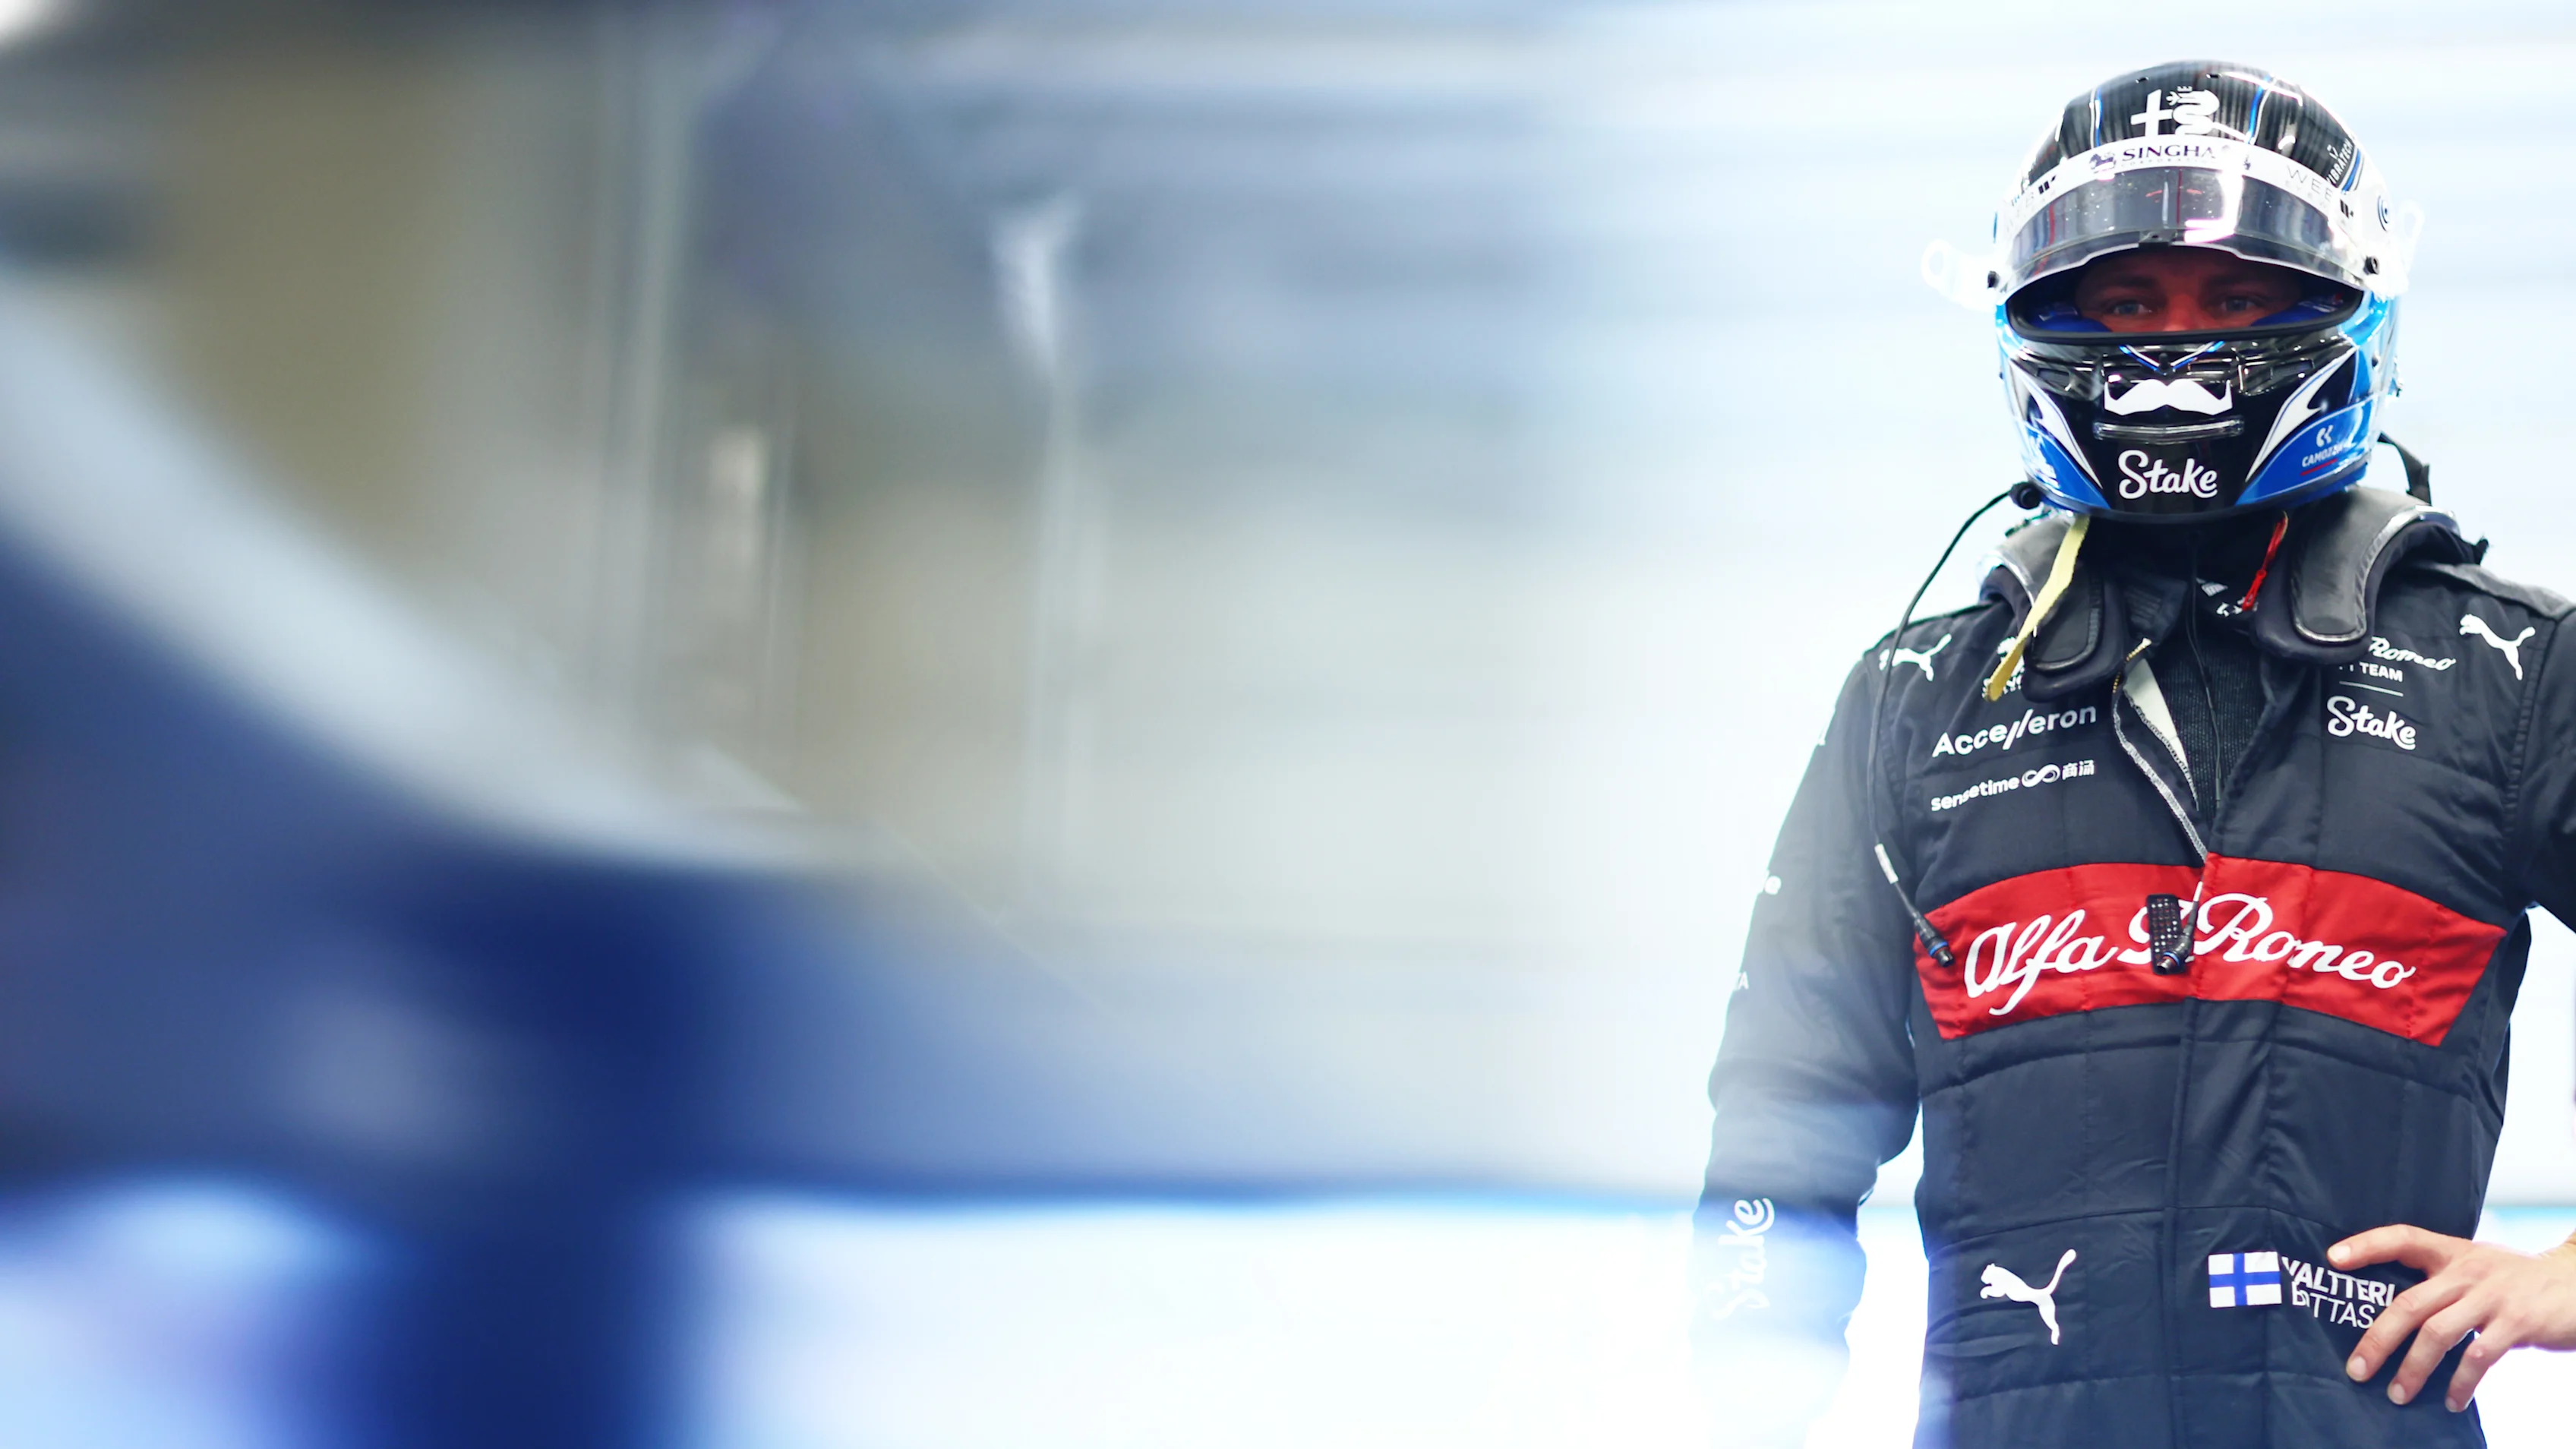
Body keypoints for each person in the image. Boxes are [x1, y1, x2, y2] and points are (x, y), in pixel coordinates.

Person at [1694, 60, 2576, 1448]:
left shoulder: (2512, 670)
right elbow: (1784, 1110)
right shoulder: (1914, 699)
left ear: (2351, 304)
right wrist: (1750, 1390)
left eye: (2236, 298)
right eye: (2124, 304)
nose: (2174, 346)